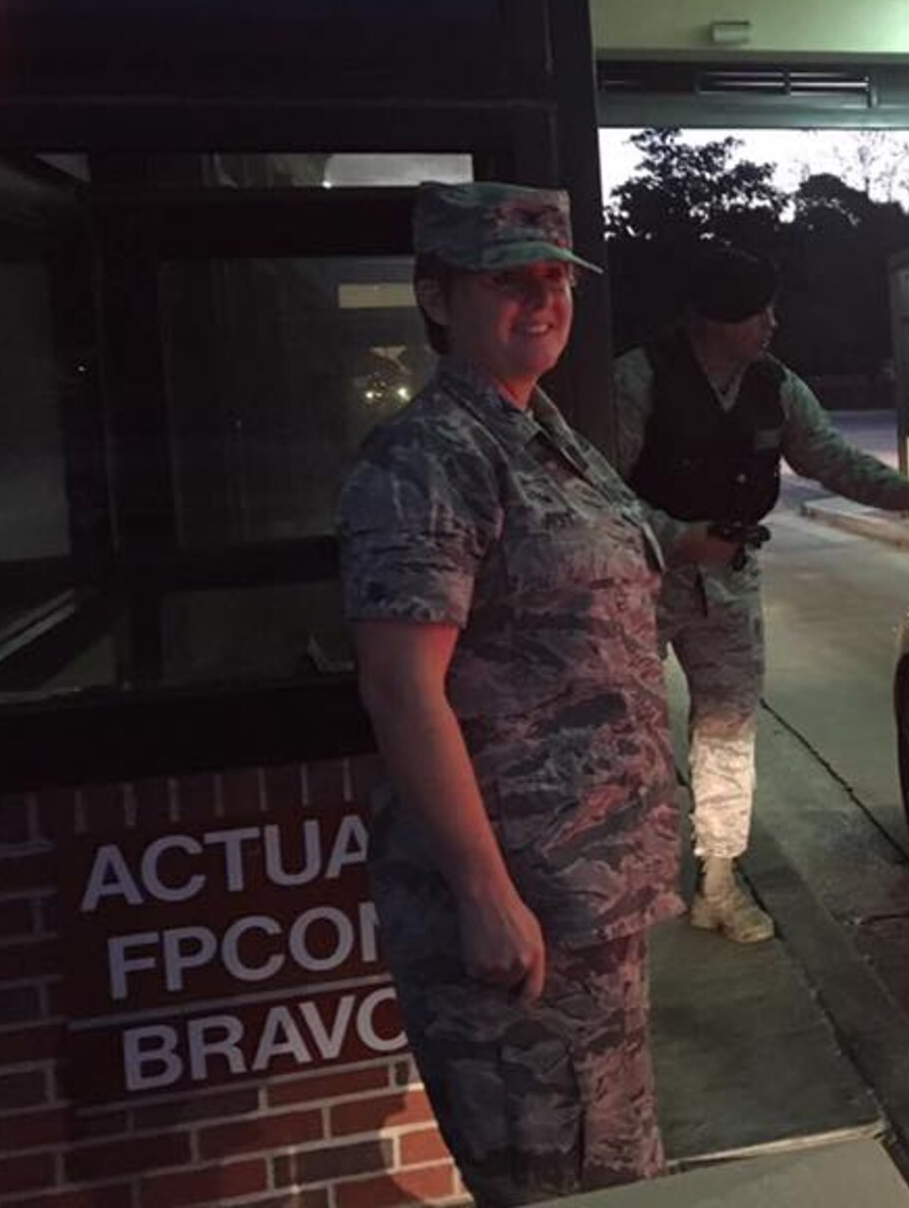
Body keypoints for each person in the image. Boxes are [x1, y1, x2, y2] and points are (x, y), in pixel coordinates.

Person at [336, 182, 735, 1204]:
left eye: (556, 277)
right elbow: (400, 690)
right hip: (524, 911)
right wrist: (483, 896)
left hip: (591, 899)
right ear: (436, 298)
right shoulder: (428, 460)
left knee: (609, 1175)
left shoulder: (547, 435)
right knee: (558, 1183)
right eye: (508, 280)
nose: (543, 299)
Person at [614, 244, 909, 944]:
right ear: (713, 318)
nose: (771, 324)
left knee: (728, 733)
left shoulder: (774, 384)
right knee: (626, 740)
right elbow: (597, 493)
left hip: (731, 580)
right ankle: (627, 891)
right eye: (756, 312)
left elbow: (826, 455)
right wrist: (676, 537)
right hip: (637, 583)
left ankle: (717, 881)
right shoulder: (637, 379)